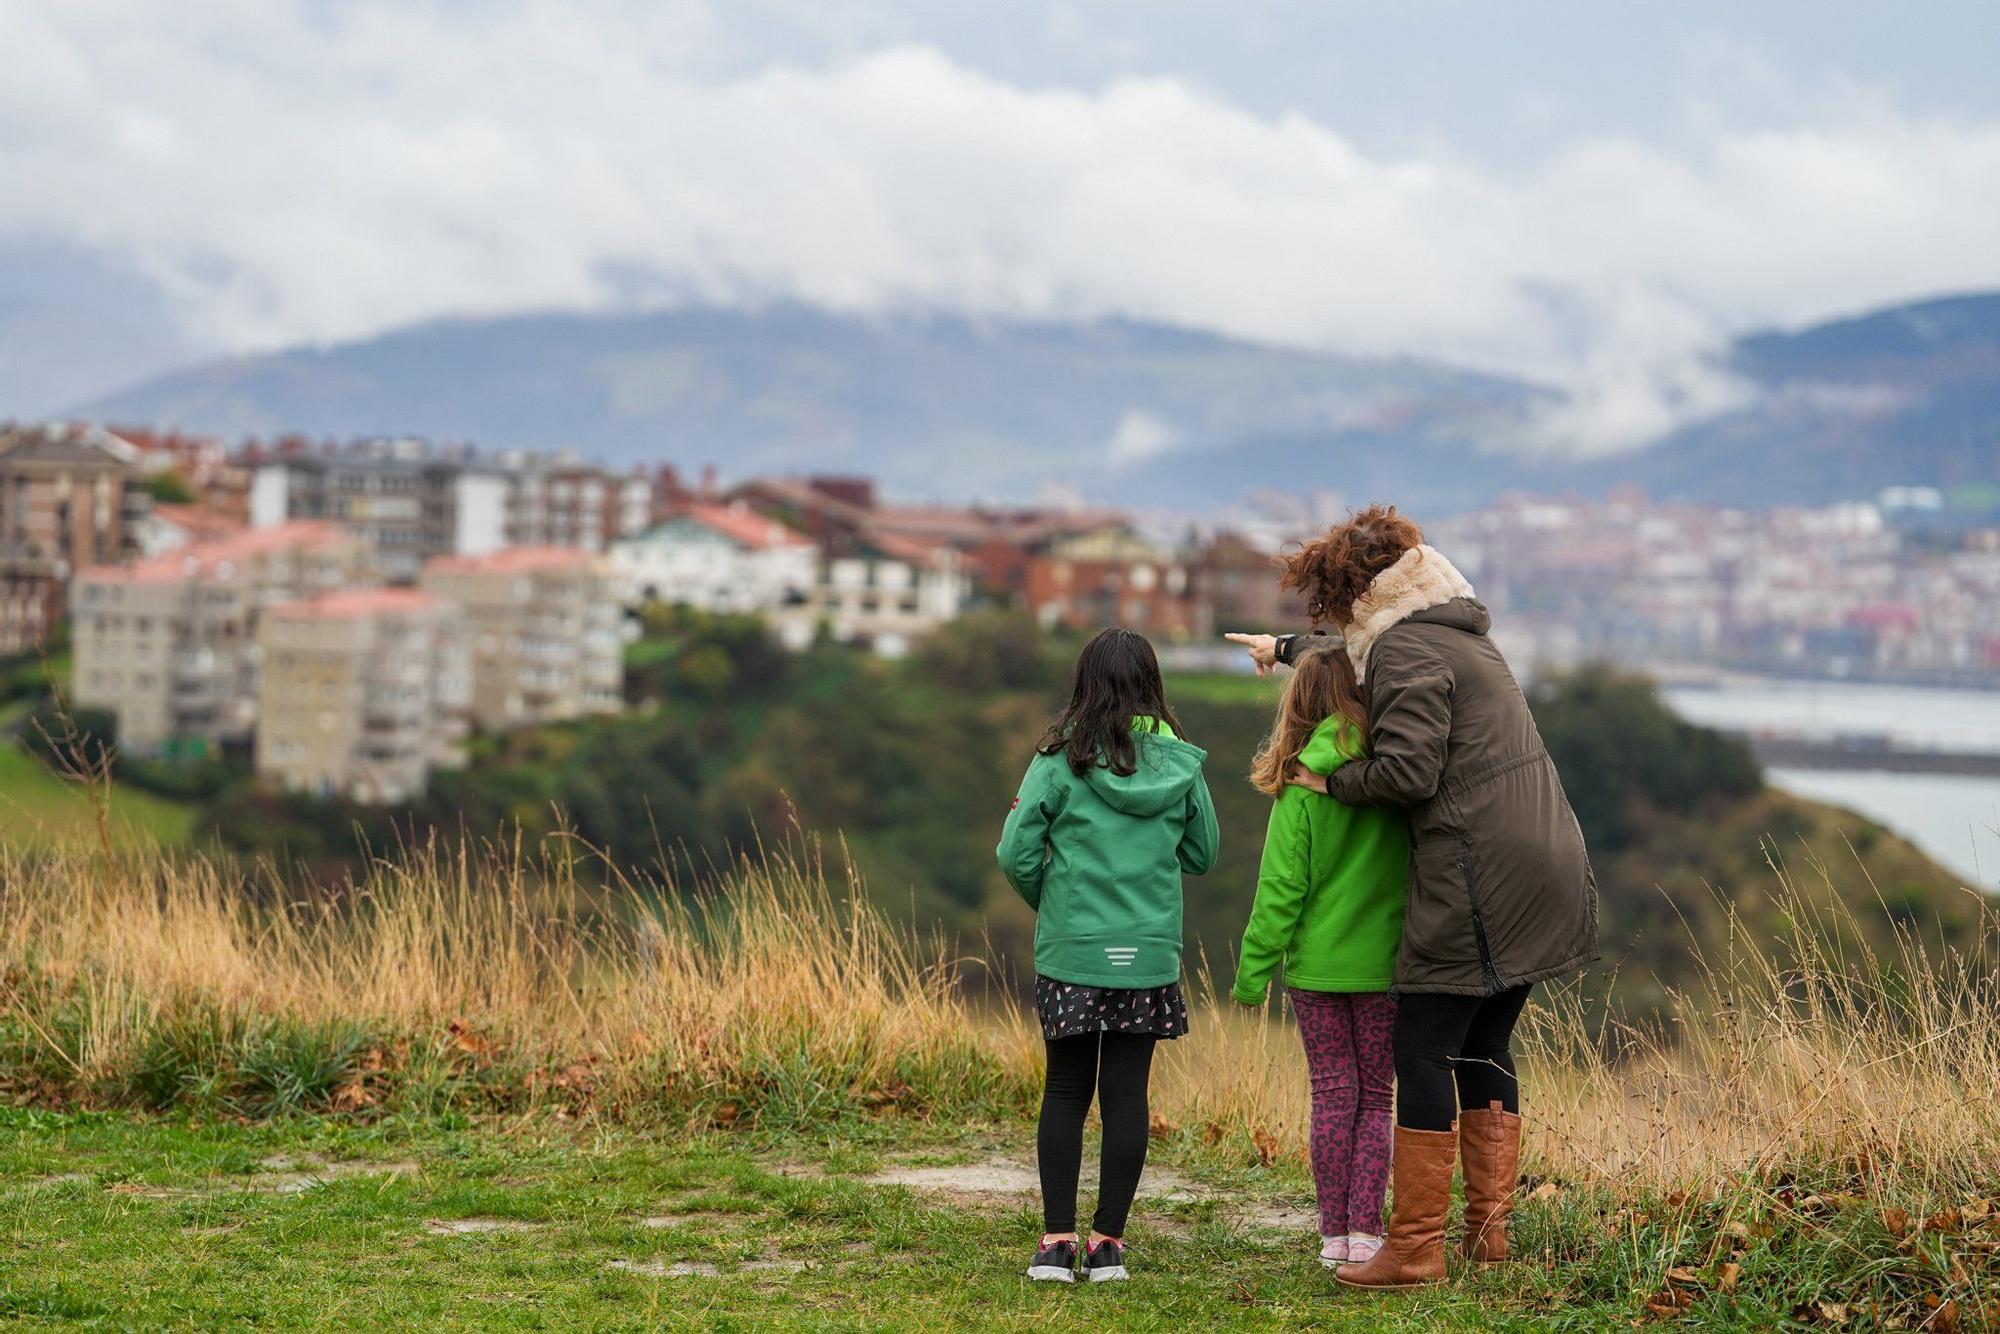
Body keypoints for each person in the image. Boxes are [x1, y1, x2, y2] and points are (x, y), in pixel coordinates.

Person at [1226, 504, 1598, 1290]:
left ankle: (1416, 1247)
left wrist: (1329, 781)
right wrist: (1286, 648)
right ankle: (1486, 1237)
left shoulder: (1403, 651)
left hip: (1480, 872)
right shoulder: (1452, 630)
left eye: (1326, 605)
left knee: (1422, 1048)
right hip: (1546, 860)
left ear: (1353, 593)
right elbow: (1360, 657)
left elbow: (1408, 772)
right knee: (1481, 1046)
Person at [996, 627, 1220, 1285]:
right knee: (1128, 1095)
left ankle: (1056, 1245)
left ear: (1084, 684)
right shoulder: (1180, 763)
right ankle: (1108, 1247)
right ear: (1153, 685)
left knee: (1067, 1088)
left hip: (1074, 951)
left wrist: (1059, 905)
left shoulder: (1058, 757)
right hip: (1146, 953)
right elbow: (1203, 854)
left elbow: (1014, 853)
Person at [1231, 644, 1409, 1272]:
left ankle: (1333, 1236)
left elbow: (1281, 889)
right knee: (1375, 1098)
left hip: (1317, 968)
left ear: (1298, 704)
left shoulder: (1301, 786)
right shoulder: (1393, 780)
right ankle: (1369, 1233)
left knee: (1333, 1093)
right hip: (1385, 963)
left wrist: (1253, 973)